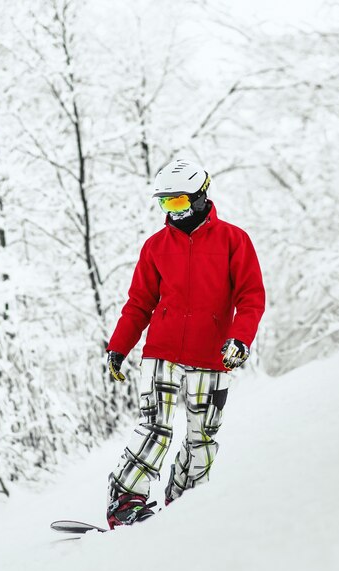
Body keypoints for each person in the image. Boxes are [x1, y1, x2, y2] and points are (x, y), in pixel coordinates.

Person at [105, 158, 265, 529]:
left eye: (177, 202)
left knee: (202, 437)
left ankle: (186, 503)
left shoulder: (233, 240)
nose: (171, 211)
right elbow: (139, 303)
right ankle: (125, 500)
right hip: (162, 352)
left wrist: (240, 339)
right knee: (156, 428)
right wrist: (119, 346)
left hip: (212, 355)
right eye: (164, 203)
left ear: (199, 196)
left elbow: (251, 296)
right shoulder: (156, 246)